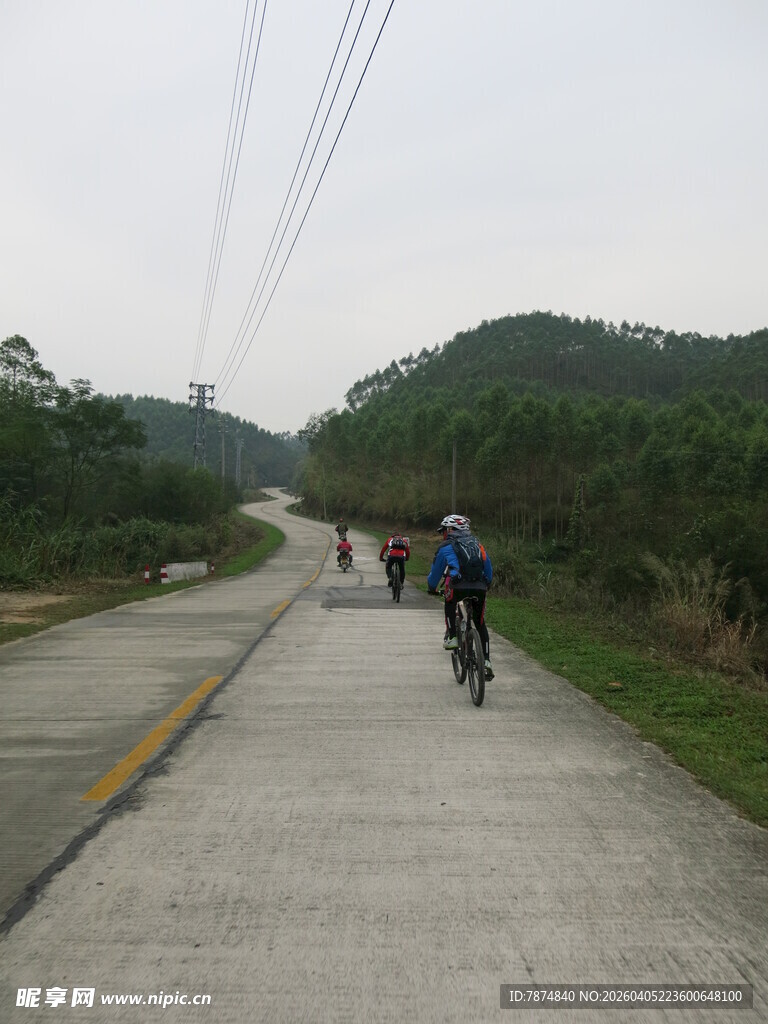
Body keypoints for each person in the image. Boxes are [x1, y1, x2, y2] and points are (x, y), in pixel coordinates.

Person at [427, 514, 494, 679]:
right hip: (479, 588)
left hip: (458, 587)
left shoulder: (446, 546)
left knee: (449, 603)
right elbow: (488, 568)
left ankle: (452, 637)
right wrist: (486, 584)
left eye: (444, 530)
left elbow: (435, 574)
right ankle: (486, 661)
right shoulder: (478, 545)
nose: (443, 534)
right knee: (480, 623)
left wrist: (431, 588)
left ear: (450, 530)